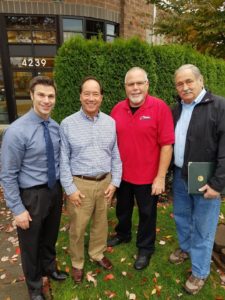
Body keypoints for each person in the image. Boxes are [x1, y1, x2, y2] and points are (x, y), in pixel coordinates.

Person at [0, 76, 67, 300]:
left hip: (53, 192)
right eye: (41, 95)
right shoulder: (16, 131)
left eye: (50, 96)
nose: (46, 100)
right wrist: (17, 209)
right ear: (31, 95)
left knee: (49, 237)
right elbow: (8, 174)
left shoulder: (55, 127)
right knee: (30, 245)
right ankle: (35, 287)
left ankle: (50, 269)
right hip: (31, 195)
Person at [107, 67, 175, 270]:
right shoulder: (117, 109)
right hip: (122, 175)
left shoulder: (160, 107)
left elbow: (166, 145)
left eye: (139, 83)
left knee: (147, 214)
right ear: (125, 87)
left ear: (147, 85)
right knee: (122, 208)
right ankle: (123, 234)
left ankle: (145, 248)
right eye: (131, 84)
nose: (135, 88)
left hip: (148, 176)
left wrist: (160, 177)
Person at [60, 76, 122, 284]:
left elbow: (115, 155)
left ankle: (97, 252)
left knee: (100, 223)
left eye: (95, 94)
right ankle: (77, 262)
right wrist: (70, 189)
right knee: (77, 227)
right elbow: (63, 160)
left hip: (105, 182)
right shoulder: (67, 124)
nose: (91, 98)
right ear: (80, 96)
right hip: (80, 184)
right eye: (87, 93)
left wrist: (114, 183)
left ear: (101, 97)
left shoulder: (110, 123)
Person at [169, 64, 225, 295]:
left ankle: (200, 271)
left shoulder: (219, 106)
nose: (185, 87)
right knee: (182, 218)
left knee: (204, 227)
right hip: (181, 177)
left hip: (206, 181)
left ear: (200, 81)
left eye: (189, 81)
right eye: (180, 83)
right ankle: (185, 248)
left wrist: (218, 184)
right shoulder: (176, 109)